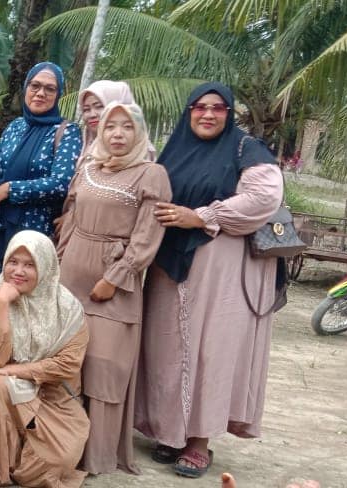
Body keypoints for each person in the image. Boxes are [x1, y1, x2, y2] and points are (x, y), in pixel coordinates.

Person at [135, 82, 284, 478]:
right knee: (166, 348)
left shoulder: (246, 149)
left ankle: (199, 442)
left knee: (210, 352)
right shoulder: (175, 150)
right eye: (199, 107)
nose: (208, 114)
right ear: (189, 112)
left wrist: (202, 216)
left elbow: (264, 198)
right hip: (170, 266)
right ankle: (170, 433)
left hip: (221, 271)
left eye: (218, 108)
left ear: (229, 114)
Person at [56, 103, 171, 475]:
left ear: (139, 133)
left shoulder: (151, 174)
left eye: (127, 127)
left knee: (104, 366)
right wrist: (56, 266)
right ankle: (62, 449)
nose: (117, 134)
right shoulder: (88, 169)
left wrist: (116, 278)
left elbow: (147, 236)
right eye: (110, 127)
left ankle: (97, 456)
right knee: (68, 361)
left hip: (113, 283)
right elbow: (71, 222)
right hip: (72, 276)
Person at [0, 230, 89, 488]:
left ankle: (22, 461)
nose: (18, 271)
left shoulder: (68, 309)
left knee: (53, 465)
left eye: (29, 264)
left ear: (45, 266)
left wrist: (9, 371)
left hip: (54, 397)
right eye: (13, 261)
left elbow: (67, 365)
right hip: (10, 392)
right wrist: (2, 304)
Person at [0, 62, 81, 291]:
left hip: (34, 235)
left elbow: (61, 183)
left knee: (25, 300)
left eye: (49, 88)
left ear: (58, 95)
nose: (40, 93)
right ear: (26, 88)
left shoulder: (66, 132)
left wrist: (10, 189)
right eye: (35, 86)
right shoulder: (15, 127)